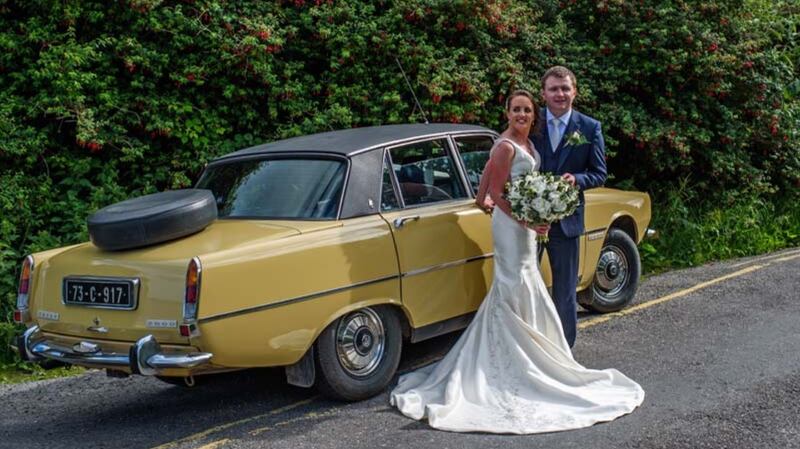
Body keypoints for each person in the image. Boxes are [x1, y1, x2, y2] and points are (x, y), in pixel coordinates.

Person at [390, 90, 644, 434]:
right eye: (516, 109)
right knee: (514, 285)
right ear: (507, 112)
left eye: (527, 110)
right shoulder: (507, 144)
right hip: (516, 228)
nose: (522, 114)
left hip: (523, 225)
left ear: (532, 114)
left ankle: (536, 357)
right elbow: (498, 191)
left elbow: (488, 190)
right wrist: (526, 219)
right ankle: (518, 364)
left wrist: (490, 203)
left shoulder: (524, 143)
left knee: (524, 285)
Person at [532, 66, 607, 348]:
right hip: (529, 220)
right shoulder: (530, 120)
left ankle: (564, 350)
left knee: (565, 291)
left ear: (574, 91)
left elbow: (599, 173)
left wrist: (576, 179)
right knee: (525, 286)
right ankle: (530, 348)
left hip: (567, 221)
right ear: (544, 93)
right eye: (554, 89)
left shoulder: (589, 127)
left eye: (565, 88)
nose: (559, 94)